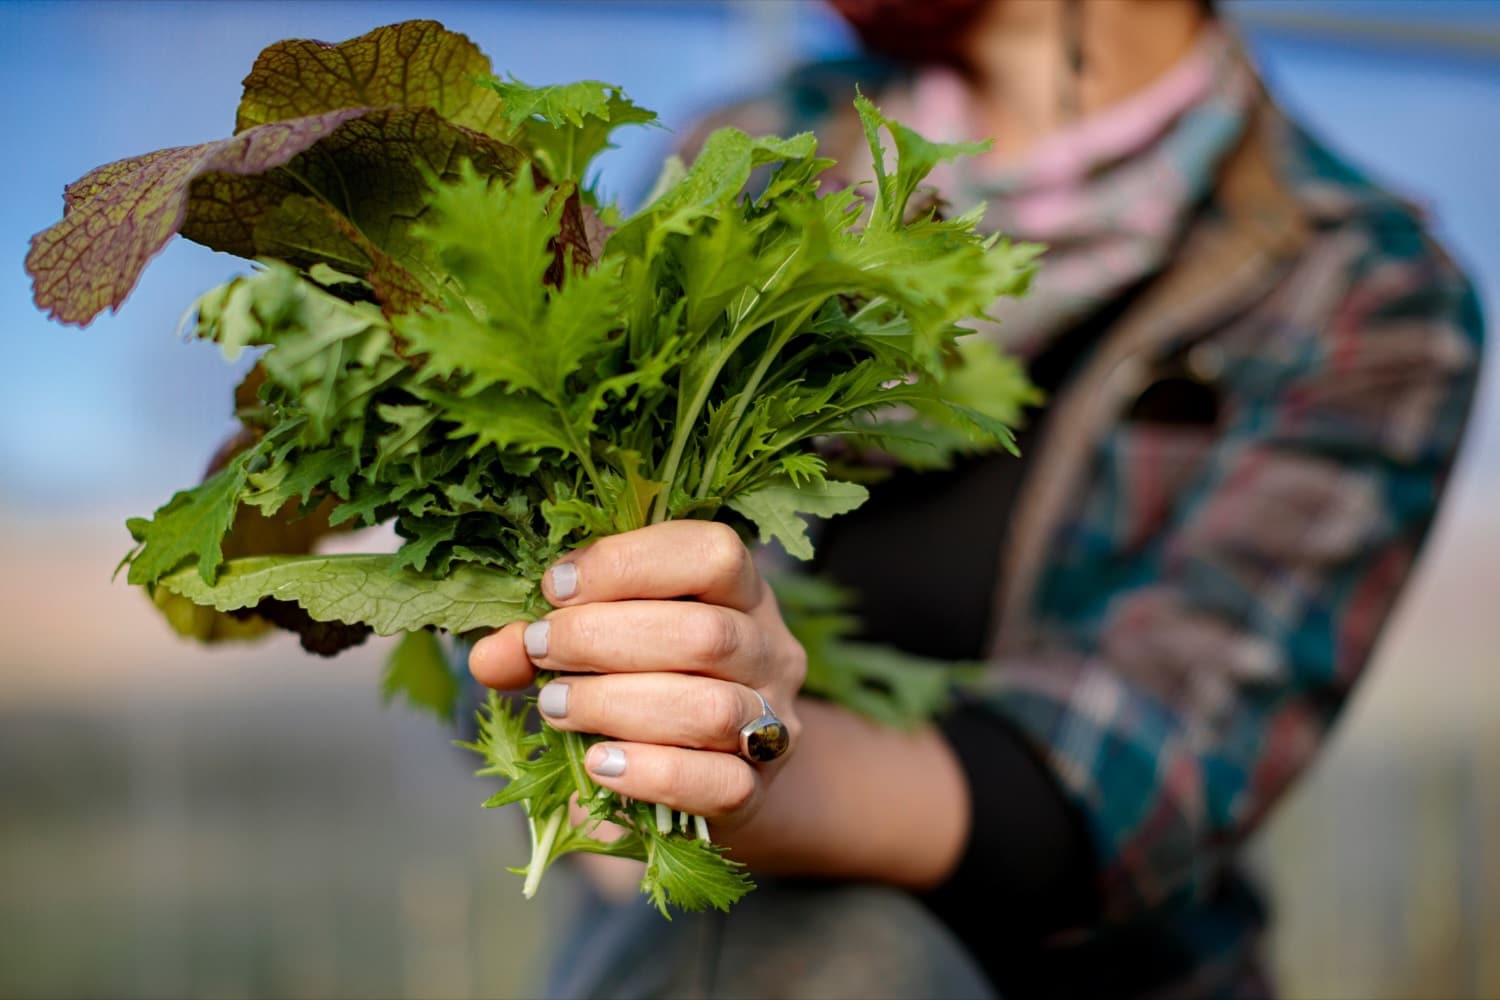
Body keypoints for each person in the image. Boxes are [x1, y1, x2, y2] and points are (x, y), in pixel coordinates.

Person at [466, 1, 1485, 996]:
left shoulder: (1358, 288)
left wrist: (745, 763)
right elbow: (553, 517)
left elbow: (1142, 776)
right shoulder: (757, 145)